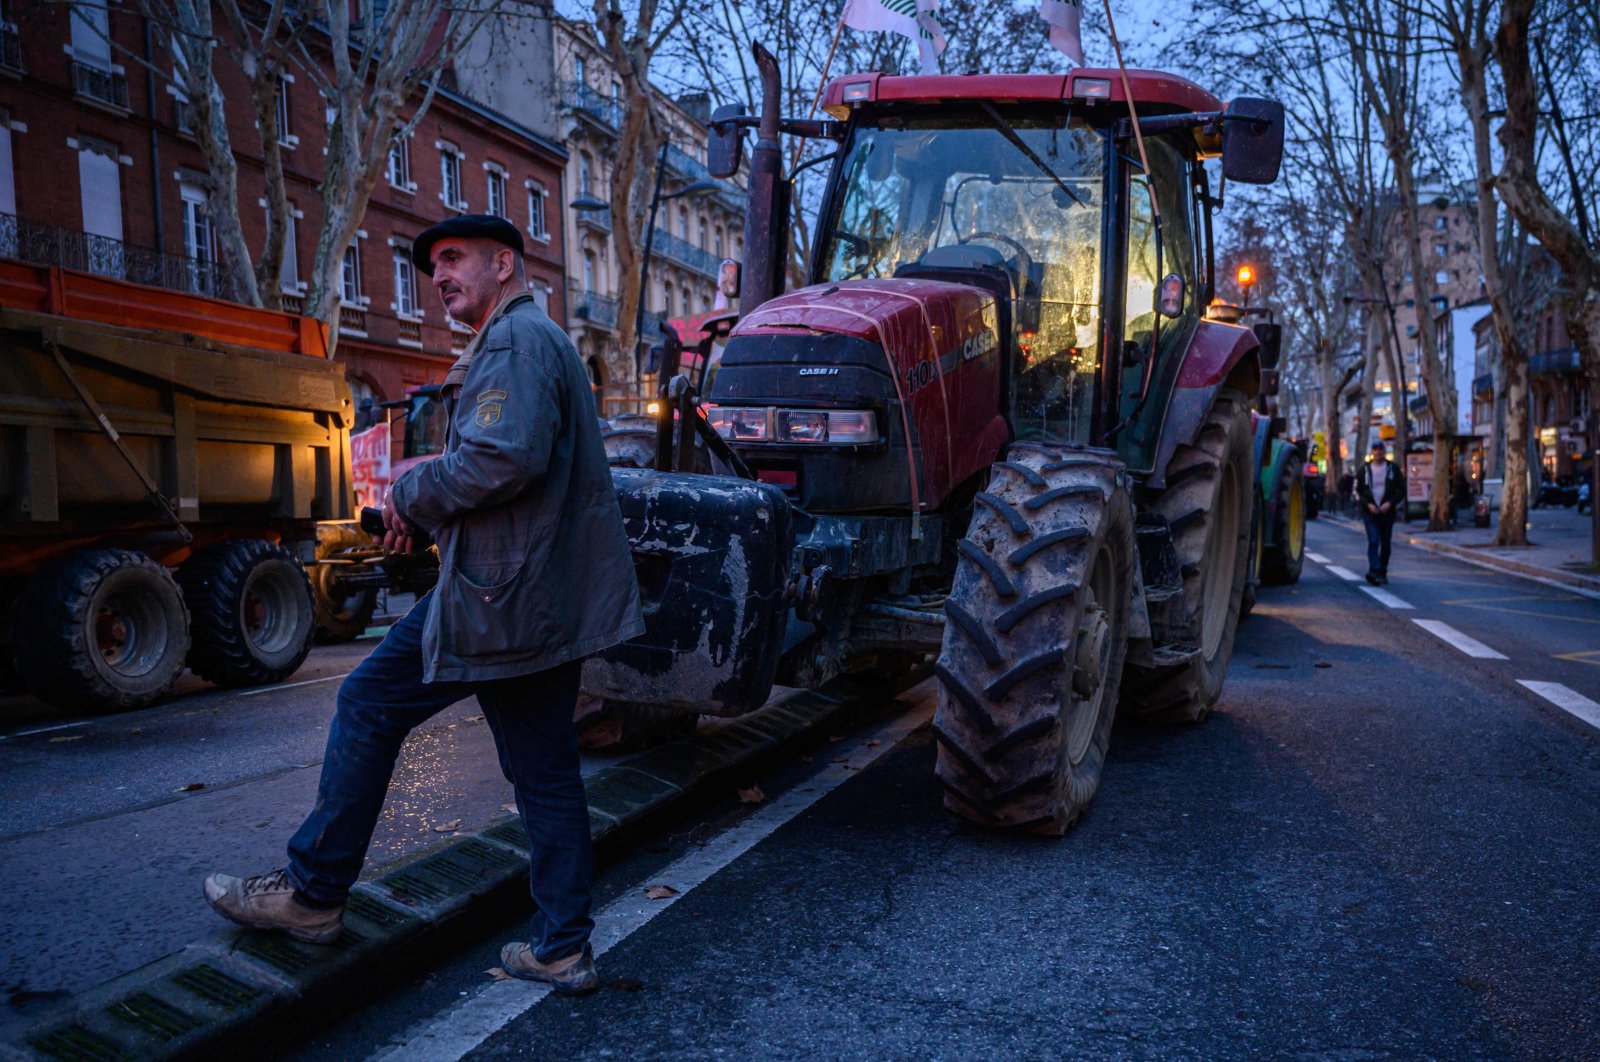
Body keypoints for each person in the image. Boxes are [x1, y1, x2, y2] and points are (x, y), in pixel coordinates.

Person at [204, 215, 643, 996]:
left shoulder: (514, 340)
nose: (438, 275)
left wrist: (410, 491)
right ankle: (563, 948)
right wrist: (437, 514)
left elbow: (503, 456)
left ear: (502, 263)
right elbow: (511, 472)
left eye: (452, 259)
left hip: (501, 599)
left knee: (369, 702)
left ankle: (312, 894)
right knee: (545, 771)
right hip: (535, 595)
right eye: (432, 265)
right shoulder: (536, 337)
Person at [1357, 441, 1405, 585]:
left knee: (1385, 543)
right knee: (1373, 541)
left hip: (1387, 512)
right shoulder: (1364, 470)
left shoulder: (1392, 468)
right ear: (1371, 452)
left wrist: (1390, 503)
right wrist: (1368, 504)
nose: (1378, 452)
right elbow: (1358, 490)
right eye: (1375, 449)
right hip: (1370, 512)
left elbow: (1401, 489)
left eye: (1380, 450)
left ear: (1384, 451)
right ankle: (1374, 570)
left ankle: (1382, 571)